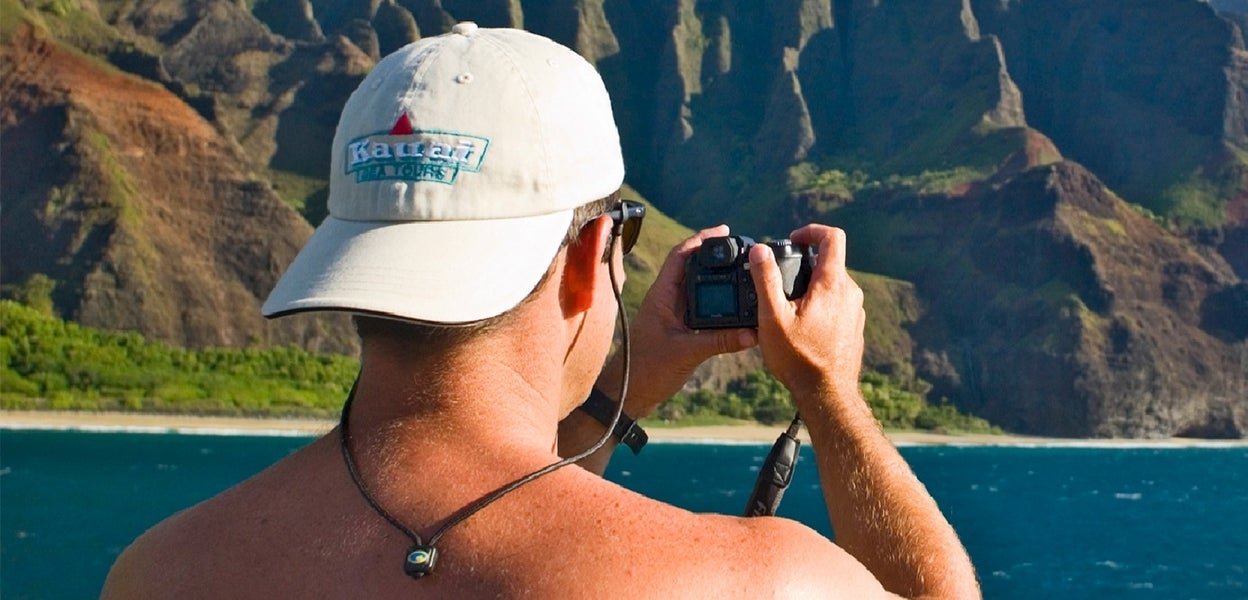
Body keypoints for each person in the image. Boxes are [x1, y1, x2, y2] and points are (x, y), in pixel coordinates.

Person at [100, 24, 979, 599]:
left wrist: (614, 399)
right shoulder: (753, 580)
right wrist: (832, 397)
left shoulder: (159, 572)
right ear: (594, 258)